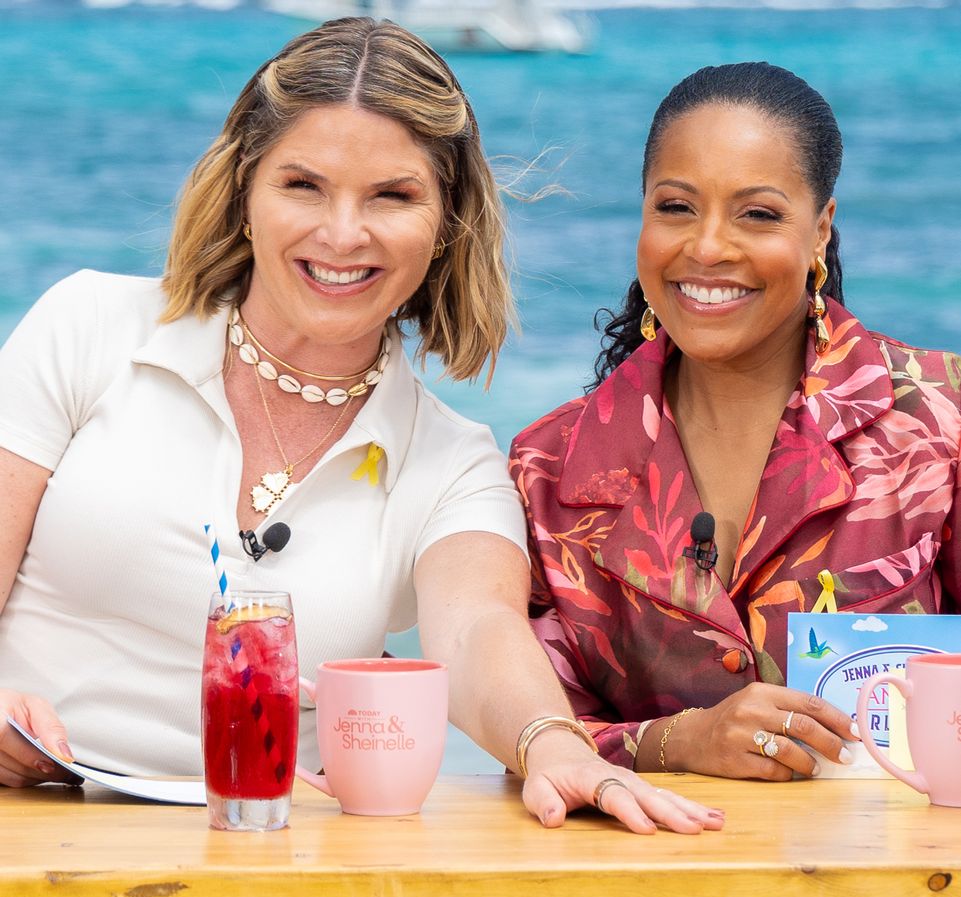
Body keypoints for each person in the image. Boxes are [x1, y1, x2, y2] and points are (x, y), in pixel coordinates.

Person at [0, 18, 722, 835]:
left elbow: (478, 632)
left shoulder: (451, 462)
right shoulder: (86, 325)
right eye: (302, 185)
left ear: (447, 222)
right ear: (244, 193)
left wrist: (556, 748)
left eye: (392, 195)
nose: (342, 234)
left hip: (264, 860)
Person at [511, 62, 961, 781]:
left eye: (757, 213)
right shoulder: (547, 468)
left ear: (819, 230)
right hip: (649, 885)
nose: (708, 247)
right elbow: (531, 736)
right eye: (675, 208)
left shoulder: (938, 420)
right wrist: (679, 742)